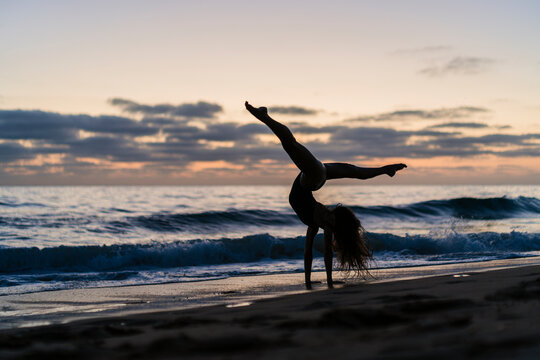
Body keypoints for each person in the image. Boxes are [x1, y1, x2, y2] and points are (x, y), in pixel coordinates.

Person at [245, 101, 407, 289]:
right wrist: (329, 283)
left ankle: (385, 170)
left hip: (316, 176)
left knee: (354, 171)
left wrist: (308, 282)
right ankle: (264, 116)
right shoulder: (324, 222)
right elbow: (326, 254)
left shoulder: (315, 223)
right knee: (291, 145)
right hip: (312, 178)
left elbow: (308, 253)